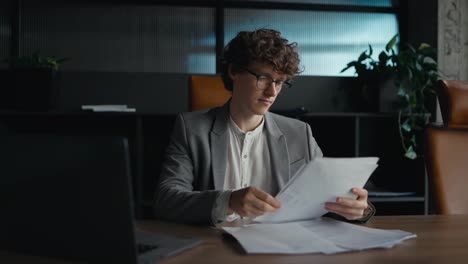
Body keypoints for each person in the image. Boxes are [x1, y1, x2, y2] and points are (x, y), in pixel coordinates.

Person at [154, 28, 374, 225]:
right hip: (216, 249)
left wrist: (359, 209)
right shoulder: (191, 129)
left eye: (279, 82)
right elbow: (166, 199)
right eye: (263, 78)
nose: (272, 92)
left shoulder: (299, 133)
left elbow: (325, 200)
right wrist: (228, 201)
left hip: (282, 249)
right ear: (234, 71)